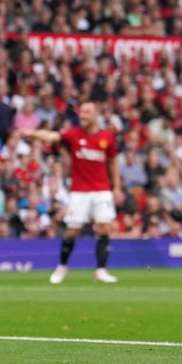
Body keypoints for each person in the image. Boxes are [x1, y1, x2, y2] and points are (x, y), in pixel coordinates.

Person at [18, 101, 120, 284]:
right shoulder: (73, 134)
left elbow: (113, 162)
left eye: (87, 112)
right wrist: (31, 133)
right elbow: (51, 136)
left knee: (104, 228)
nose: (83, 115)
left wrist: (117, 187)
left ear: (96, 114)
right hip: (79, 191)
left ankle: (101, 270)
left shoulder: (107, 137)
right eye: (81, 112)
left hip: (102, 190)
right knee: (72, 231)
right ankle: (62, 266)